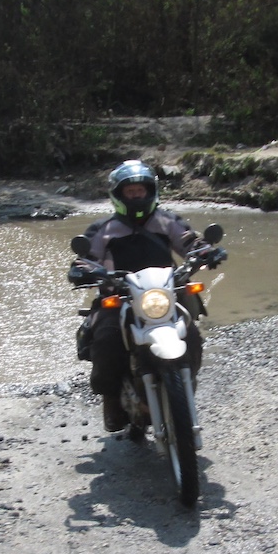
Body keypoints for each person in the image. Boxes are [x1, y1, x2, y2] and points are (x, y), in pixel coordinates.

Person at [68, 160, 226, 432]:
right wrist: (81, 270)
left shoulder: (167, 220)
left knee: (191, 334)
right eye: (130, 192)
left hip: (166, 291)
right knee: (105, 339)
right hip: (121, 294)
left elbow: (190, 242)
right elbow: (87, 258)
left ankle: (184, 383)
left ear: (150, 191)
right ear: (119, 196)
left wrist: (206, 252)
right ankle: (112, 401)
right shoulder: (102, 229)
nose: (137, 196)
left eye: (141, 190)